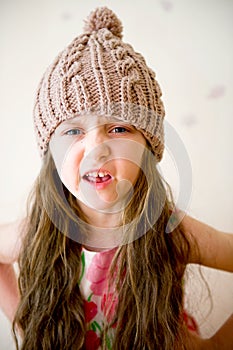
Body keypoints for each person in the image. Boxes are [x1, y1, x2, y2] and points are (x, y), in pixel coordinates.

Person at [0, 6, 232, 350]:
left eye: (119, 128)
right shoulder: (35, 231)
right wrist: (23, 318)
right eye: (74, 130)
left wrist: (214, 345)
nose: (96, 149)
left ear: (147, 148)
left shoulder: (172, 230)